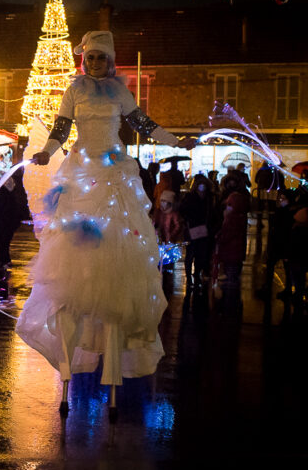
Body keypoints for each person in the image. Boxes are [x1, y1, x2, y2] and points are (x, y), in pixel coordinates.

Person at [20, 31, 194, 419]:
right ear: (84, 60)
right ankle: (68, 376)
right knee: (74, 260)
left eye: (101, 57)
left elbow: (143, 123)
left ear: (110, 61)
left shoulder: (118, 91)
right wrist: (46, 153)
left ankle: (112, 374)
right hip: (81, 173)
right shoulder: (74, 90)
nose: (95, 63)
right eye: (91, 57)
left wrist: (175, 141)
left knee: (117, 260)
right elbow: (60, 129)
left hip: (115, 174)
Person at [179, 174, 217, 290]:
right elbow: (183, 210)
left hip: (204, 229)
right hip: (192, 228)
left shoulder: (209, 198)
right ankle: (189, 276)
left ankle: (197, 273)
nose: (202, 187)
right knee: (190, 253)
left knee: (201, 253)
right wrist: (187, 220)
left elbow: (212, 213)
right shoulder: (190, 197)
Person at [216, 176, 251, 290]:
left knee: (232, 275)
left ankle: (231, 293)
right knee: (233, 272)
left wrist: (220, 238)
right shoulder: (234, 217)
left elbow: (228, 235)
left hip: (231, 253)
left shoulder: (233, 219)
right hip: (233, 253)